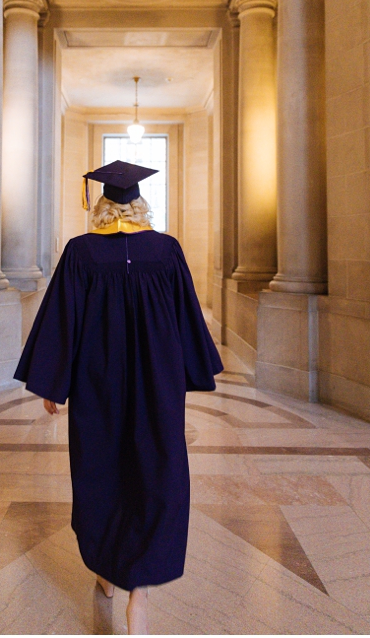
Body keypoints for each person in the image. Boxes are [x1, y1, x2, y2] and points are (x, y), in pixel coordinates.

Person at [14, 160, 223, 635]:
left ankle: (107, 568)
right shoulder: (166, 251)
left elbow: (63, 318)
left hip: (96, 384)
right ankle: (139, 599)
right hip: (157, 386)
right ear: (141, 205)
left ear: (101, 206)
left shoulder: (81, 253)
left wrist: (53, 382)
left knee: (100, 472)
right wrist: (189, 372)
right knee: (155, 473)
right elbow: (188, 317)